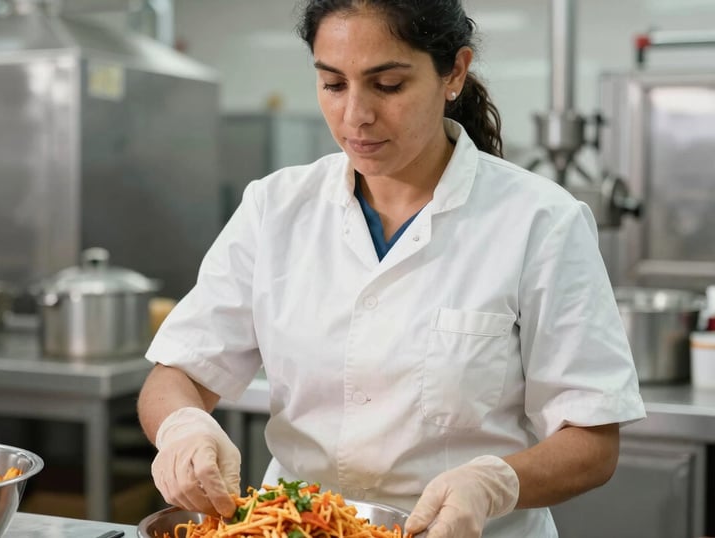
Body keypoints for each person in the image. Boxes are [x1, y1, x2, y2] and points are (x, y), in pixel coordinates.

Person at [137, 1, 647, 536]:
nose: (355, 115)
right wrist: (183, 427)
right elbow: (179, 372)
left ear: (454, 72)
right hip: (293, 526)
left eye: (388, 85)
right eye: (333, 85)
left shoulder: (540, 221)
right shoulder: (276, 208)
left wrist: (494, 483)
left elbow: (591, 440)